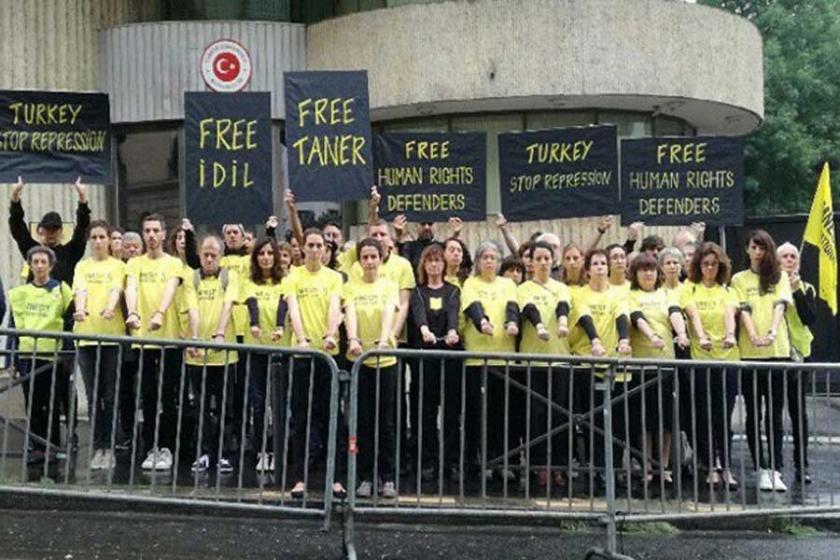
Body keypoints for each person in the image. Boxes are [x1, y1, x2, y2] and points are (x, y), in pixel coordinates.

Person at [285, 228, 346, 498]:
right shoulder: (293, 276)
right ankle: (299, 478)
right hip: (302, 355)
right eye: (309, 245)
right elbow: (293, 308)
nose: (314, 249)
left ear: (325, 249)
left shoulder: (334, 278)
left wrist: (331, 334)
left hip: (328, 356)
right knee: (300, 419)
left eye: (318, 245)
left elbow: (335, 306)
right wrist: (302, 339)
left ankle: (336, 479)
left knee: (332, 418)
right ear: (303, 247)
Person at [731, 230, 792, 492]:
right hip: (749, 352)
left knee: (775, 414)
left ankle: (777, 467)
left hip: (778, 352)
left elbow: (780, 305)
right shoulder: (739, 279)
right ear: (747, 250)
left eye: (762, 248)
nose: (758, 252)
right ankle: (761, 467)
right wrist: (754, 335)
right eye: (754, 247)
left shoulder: (780, 277)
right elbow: (743, 309)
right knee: (753, 413)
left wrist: (772, 332)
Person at [124, 214, 185, 471]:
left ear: (163, 234)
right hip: (144, 340)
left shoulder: (173, 263)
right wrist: (133, 312)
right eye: (146, 230)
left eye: (155, 231)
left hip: (169, 338)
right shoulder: (135, 263)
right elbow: (132, 288)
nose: (150, 235)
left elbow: (171, 288)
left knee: (168, 396)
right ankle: (151, 447)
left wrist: (160, 312)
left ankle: (168, 448)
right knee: (148, 397)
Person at [570, 249, 632, 485]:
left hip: (614, 366)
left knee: (615, 422)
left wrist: (624, 340)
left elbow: (621, 316)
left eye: (603, 263)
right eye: (595, 263)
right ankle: (594, 468)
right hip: (588, 364)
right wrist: (595, 341)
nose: (600, 267)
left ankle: (613, 469)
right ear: (587, 270)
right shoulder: (580, 294)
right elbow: (585, 318)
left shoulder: (618, 294)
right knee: (591, 421)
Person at [345, 238, 401, 498]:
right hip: (360, 360)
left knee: (386, 422)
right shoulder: (351, 287)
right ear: (359, 261)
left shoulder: (389, 286)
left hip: (385, 360)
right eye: (365, 257)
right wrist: (354, 339)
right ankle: (366, 476)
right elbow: (351, 313)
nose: (369, 262)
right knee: (364, 421)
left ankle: (388, 477)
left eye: (373, 257)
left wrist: (383, 340)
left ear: (381, 259)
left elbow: (390, 311)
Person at [517, 241, 575, 487]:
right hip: (533, 359)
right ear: (530, 263)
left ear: (553, 261)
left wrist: (562, 325)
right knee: (536, 415)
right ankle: (539, 465)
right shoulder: (523, 289)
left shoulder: (561, 288)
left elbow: (563, 308)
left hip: (559, 358)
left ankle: (560, 466)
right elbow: (529, 310)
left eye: (546, 258)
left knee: (560, 416)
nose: (542, 262)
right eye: (537, 258)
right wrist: (540, 327)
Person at [627, 254, 690, 484]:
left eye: (652, 269)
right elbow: (637, 318)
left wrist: (681, 334)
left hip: (666, 365)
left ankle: (663, 467)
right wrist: (651, 335)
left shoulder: (666, 294)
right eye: (643, 270)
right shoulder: (630, 295)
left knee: (665, 422)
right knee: (644, 422)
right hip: (641, 367)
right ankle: (647, 467)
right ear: (635, 273)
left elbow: (675, 313)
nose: (648, 274)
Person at [460, 240, 519, 479]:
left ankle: (504, 462)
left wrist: (512, 322)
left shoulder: (507, 284)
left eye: (493, 257)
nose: (489, 261)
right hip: (478, 358)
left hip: (504, 358)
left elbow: (512, 307)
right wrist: (482, 322)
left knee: (503, 414)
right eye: (484, 257)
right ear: (477, 261)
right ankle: (479, 462)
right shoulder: (471, 283)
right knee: (478, 414)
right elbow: (472, 307)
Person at [9, 246, 73, 464]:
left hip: (53, 356)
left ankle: (53, 446)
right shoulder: (20, 294)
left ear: (50, 265)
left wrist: (68, 352)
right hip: (27, 356)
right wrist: (11, 358)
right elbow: (13, 326)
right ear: (30, 265)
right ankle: (37, 446)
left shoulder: (61, 290)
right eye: (35, 262)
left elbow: (69, 322)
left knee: (52, 403)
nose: (39, 266)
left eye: (43, 262)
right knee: (33, 403)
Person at [682, 242, 739, 487]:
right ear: (698, 266)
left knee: (723, 417)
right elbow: (692, 313)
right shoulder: (690, 289)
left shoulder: (727, 291)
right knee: (704, 415)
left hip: (726, 360)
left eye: (714, 264)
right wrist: (701, 336)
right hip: (702, 360)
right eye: (705, 264)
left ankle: (725, 465)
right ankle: (710, 464)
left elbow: (730, 313)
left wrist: (730, 334)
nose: (710, 268)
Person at [72, 220, 126, 471]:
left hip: (111, 336)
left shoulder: (118, 266)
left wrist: (110, 307)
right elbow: (79, 291)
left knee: (110, 395)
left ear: (108, 240)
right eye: (93, 237)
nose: (97, 241)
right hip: (86, 337)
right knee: (94, 397)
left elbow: (116, 289)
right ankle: (98, 447)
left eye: (102, 237)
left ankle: (111, 448)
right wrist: (80, 310)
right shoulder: (81, 266)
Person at [184, 235, 239, 474]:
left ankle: (224, 453)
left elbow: (228, 305)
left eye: (213, 255)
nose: (208, 259)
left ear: (221, 256)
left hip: (224, 355)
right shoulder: (191, 279)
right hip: (197, 355)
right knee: (202, 406)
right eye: (205, 254)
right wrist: (195, 337)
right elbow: (193, 309)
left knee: (226, 406)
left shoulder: (230, 277)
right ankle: (206, 452)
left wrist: (219, 333)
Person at [408, 243, 461, 479]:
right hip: (425, 358)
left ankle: (451, 462)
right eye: (429, 261)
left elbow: (452, 312)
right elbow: (418, 313)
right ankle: (427, 461)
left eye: (438, 260)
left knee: (451, 412)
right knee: (425, 413)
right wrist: (424, 330)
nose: (434, 264)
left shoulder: (452, 290)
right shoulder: (418, 292)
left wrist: (452, 331)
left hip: (448, 358)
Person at [243, 237, 290, 473]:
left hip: (280, 349)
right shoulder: (250, 282)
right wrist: (254, 323)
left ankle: (278, 450)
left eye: (270, 253)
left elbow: (284, 305)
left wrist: (280, 326)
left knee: (280, 403)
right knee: (259, 403)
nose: (266, 257)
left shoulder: (284, 282)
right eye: (261, 253)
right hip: (257, 348)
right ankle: (261, 449)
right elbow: (252, 304)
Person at [777, 242, 816, 484]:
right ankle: (776, 465)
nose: (790, 260)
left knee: (797, 412)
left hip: (800, 354)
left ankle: (801, 465)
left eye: (793, 257)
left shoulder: (806, 287)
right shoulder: (770, 286)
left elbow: (809, 317)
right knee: (774, 411)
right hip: (777, 353)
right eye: (785, 256)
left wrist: (797, 290)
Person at [9, 176, 90, 285]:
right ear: (40, 231)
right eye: (48, 229)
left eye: (55, 229)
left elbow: (82, 229)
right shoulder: (32, 250)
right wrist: (15, 197)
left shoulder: (71, 252)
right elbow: (17, 227)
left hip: (63, 301)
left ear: (61, 231)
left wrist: (82, 198)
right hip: (36, 301)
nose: (51, 233)